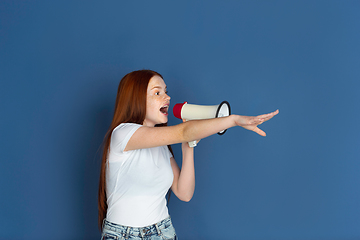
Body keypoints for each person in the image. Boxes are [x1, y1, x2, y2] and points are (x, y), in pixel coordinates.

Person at [98, 70, 278, 240]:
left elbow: (184, 193)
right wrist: (233, 120)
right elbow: (184, 132)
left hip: (163, 231)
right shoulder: (122, 134)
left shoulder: (161, 146)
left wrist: (188, 148)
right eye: (157, 93)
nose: (167, 97)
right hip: (123, 234)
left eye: (166, 91)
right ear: (135, 99)